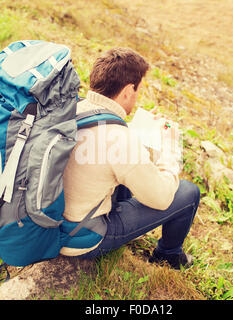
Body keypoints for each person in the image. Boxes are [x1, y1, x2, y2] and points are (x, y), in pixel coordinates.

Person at [61, 47, 200, 269]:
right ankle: (168, 255)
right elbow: (162, 198)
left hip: (50, 224)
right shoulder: (120, 139)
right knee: (188, 192)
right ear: (127, 91)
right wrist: (170, 148)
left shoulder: (73, 108)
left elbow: (103, 149)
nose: (136, 97)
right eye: (137, 91)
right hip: (82, 238)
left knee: (124, 177)